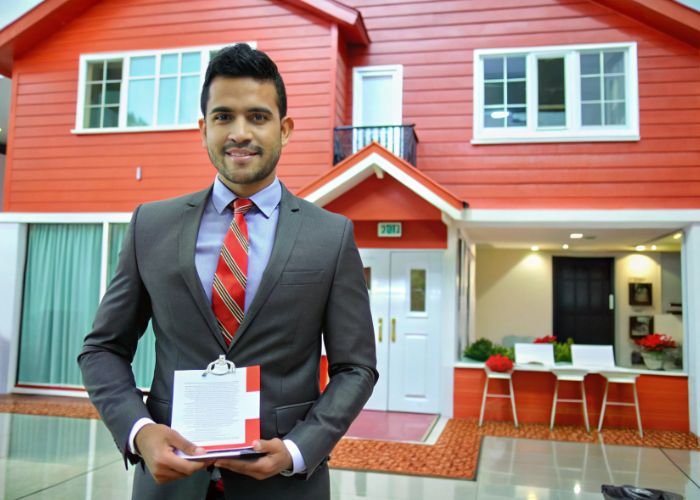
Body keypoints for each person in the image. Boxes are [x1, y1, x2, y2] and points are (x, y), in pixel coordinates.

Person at [78, 43, 377, 500]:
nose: (240, 133)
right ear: (204, 129)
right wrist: (139, 431)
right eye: (223, 117)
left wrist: (298, 449)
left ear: (284, 129)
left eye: (257, 116)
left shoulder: (331, 236)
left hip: (284, 487)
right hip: (169, 485)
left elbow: (356, 367)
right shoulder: (150, 226)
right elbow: (102, 349)